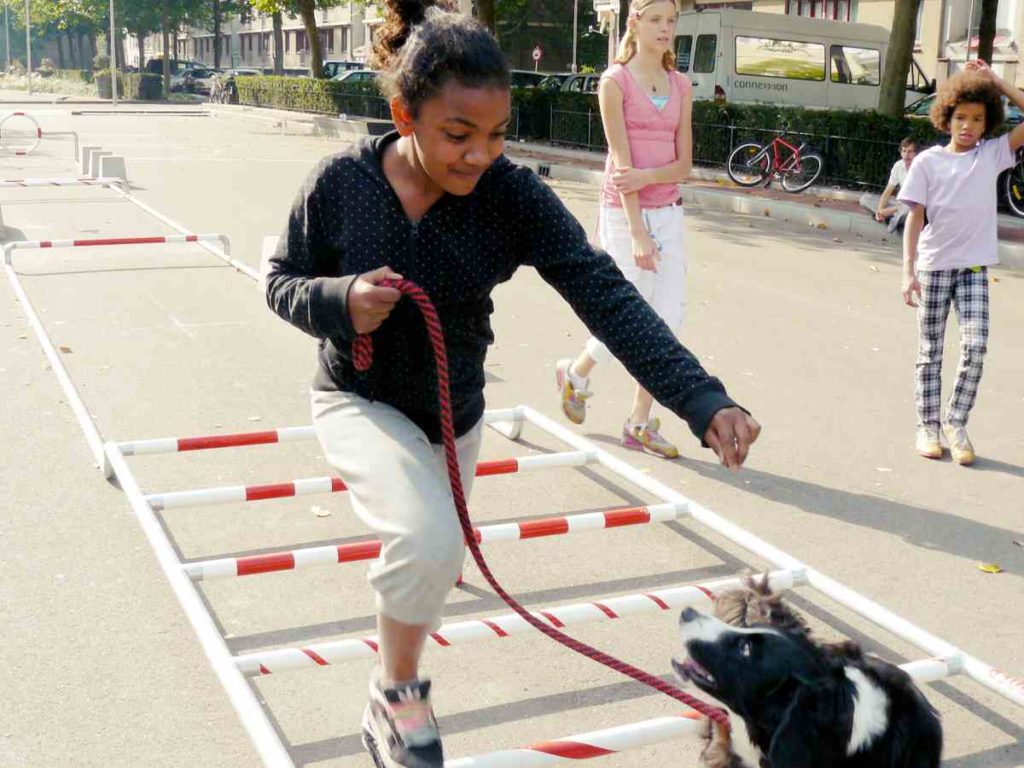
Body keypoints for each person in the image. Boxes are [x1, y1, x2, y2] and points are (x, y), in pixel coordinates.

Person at [265, 2, 760, 766]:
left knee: (436, 552)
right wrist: (339, 301)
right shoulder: (342, 184)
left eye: (495, 136)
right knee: (427, 538)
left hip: (456, 413)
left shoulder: (511, 195)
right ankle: (394, 699)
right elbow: (281, 281)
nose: (477, 156)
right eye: (456, 136)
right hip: (358, 400)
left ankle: (420, 589)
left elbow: (605, 294)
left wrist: (701, 397)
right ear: (404, 114)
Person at [554, 0, 693, 459]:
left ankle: (638, 422)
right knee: (628, 317)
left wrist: (652, 180)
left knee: (666, 323)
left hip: (668, 210)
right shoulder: (614, 83)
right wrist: (636, 231)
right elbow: (621, 168)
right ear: (635, 22)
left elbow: (684, 164)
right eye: (655, 20)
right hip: (624, 213)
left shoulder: (680, 85)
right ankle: (576, 373)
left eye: (671, 21)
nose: (665, 29)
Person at [899, 60, 1024, 465]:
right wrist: (908, 271)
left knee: (975, 346)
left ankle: (956, 421)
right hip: (934, 266)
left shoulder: (991, 155)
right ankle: (927, 426)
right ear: (946, 118)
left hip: (973, 269)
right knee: (930, 351)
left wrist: (996, 81)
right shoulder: (927, 162)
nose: (968, 125)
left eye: (977, 119)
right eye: (960, 117)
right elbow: (914, 219)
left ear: (987, 124)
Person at [858, 137, 917, 233]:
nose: (906, 155)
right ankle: (891, 218)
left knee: (907, 210)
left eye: (910, 152)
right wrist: (880, 210)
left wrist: (890, 211)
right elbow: (888, 191)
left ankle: (892, 223)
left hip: (913, 206)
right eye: (904, 151)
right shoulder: (898, 165)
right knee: (865, 199)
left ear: (916, 153)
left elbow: (914, 202)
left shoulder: (920, 168)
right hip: (898, 205)